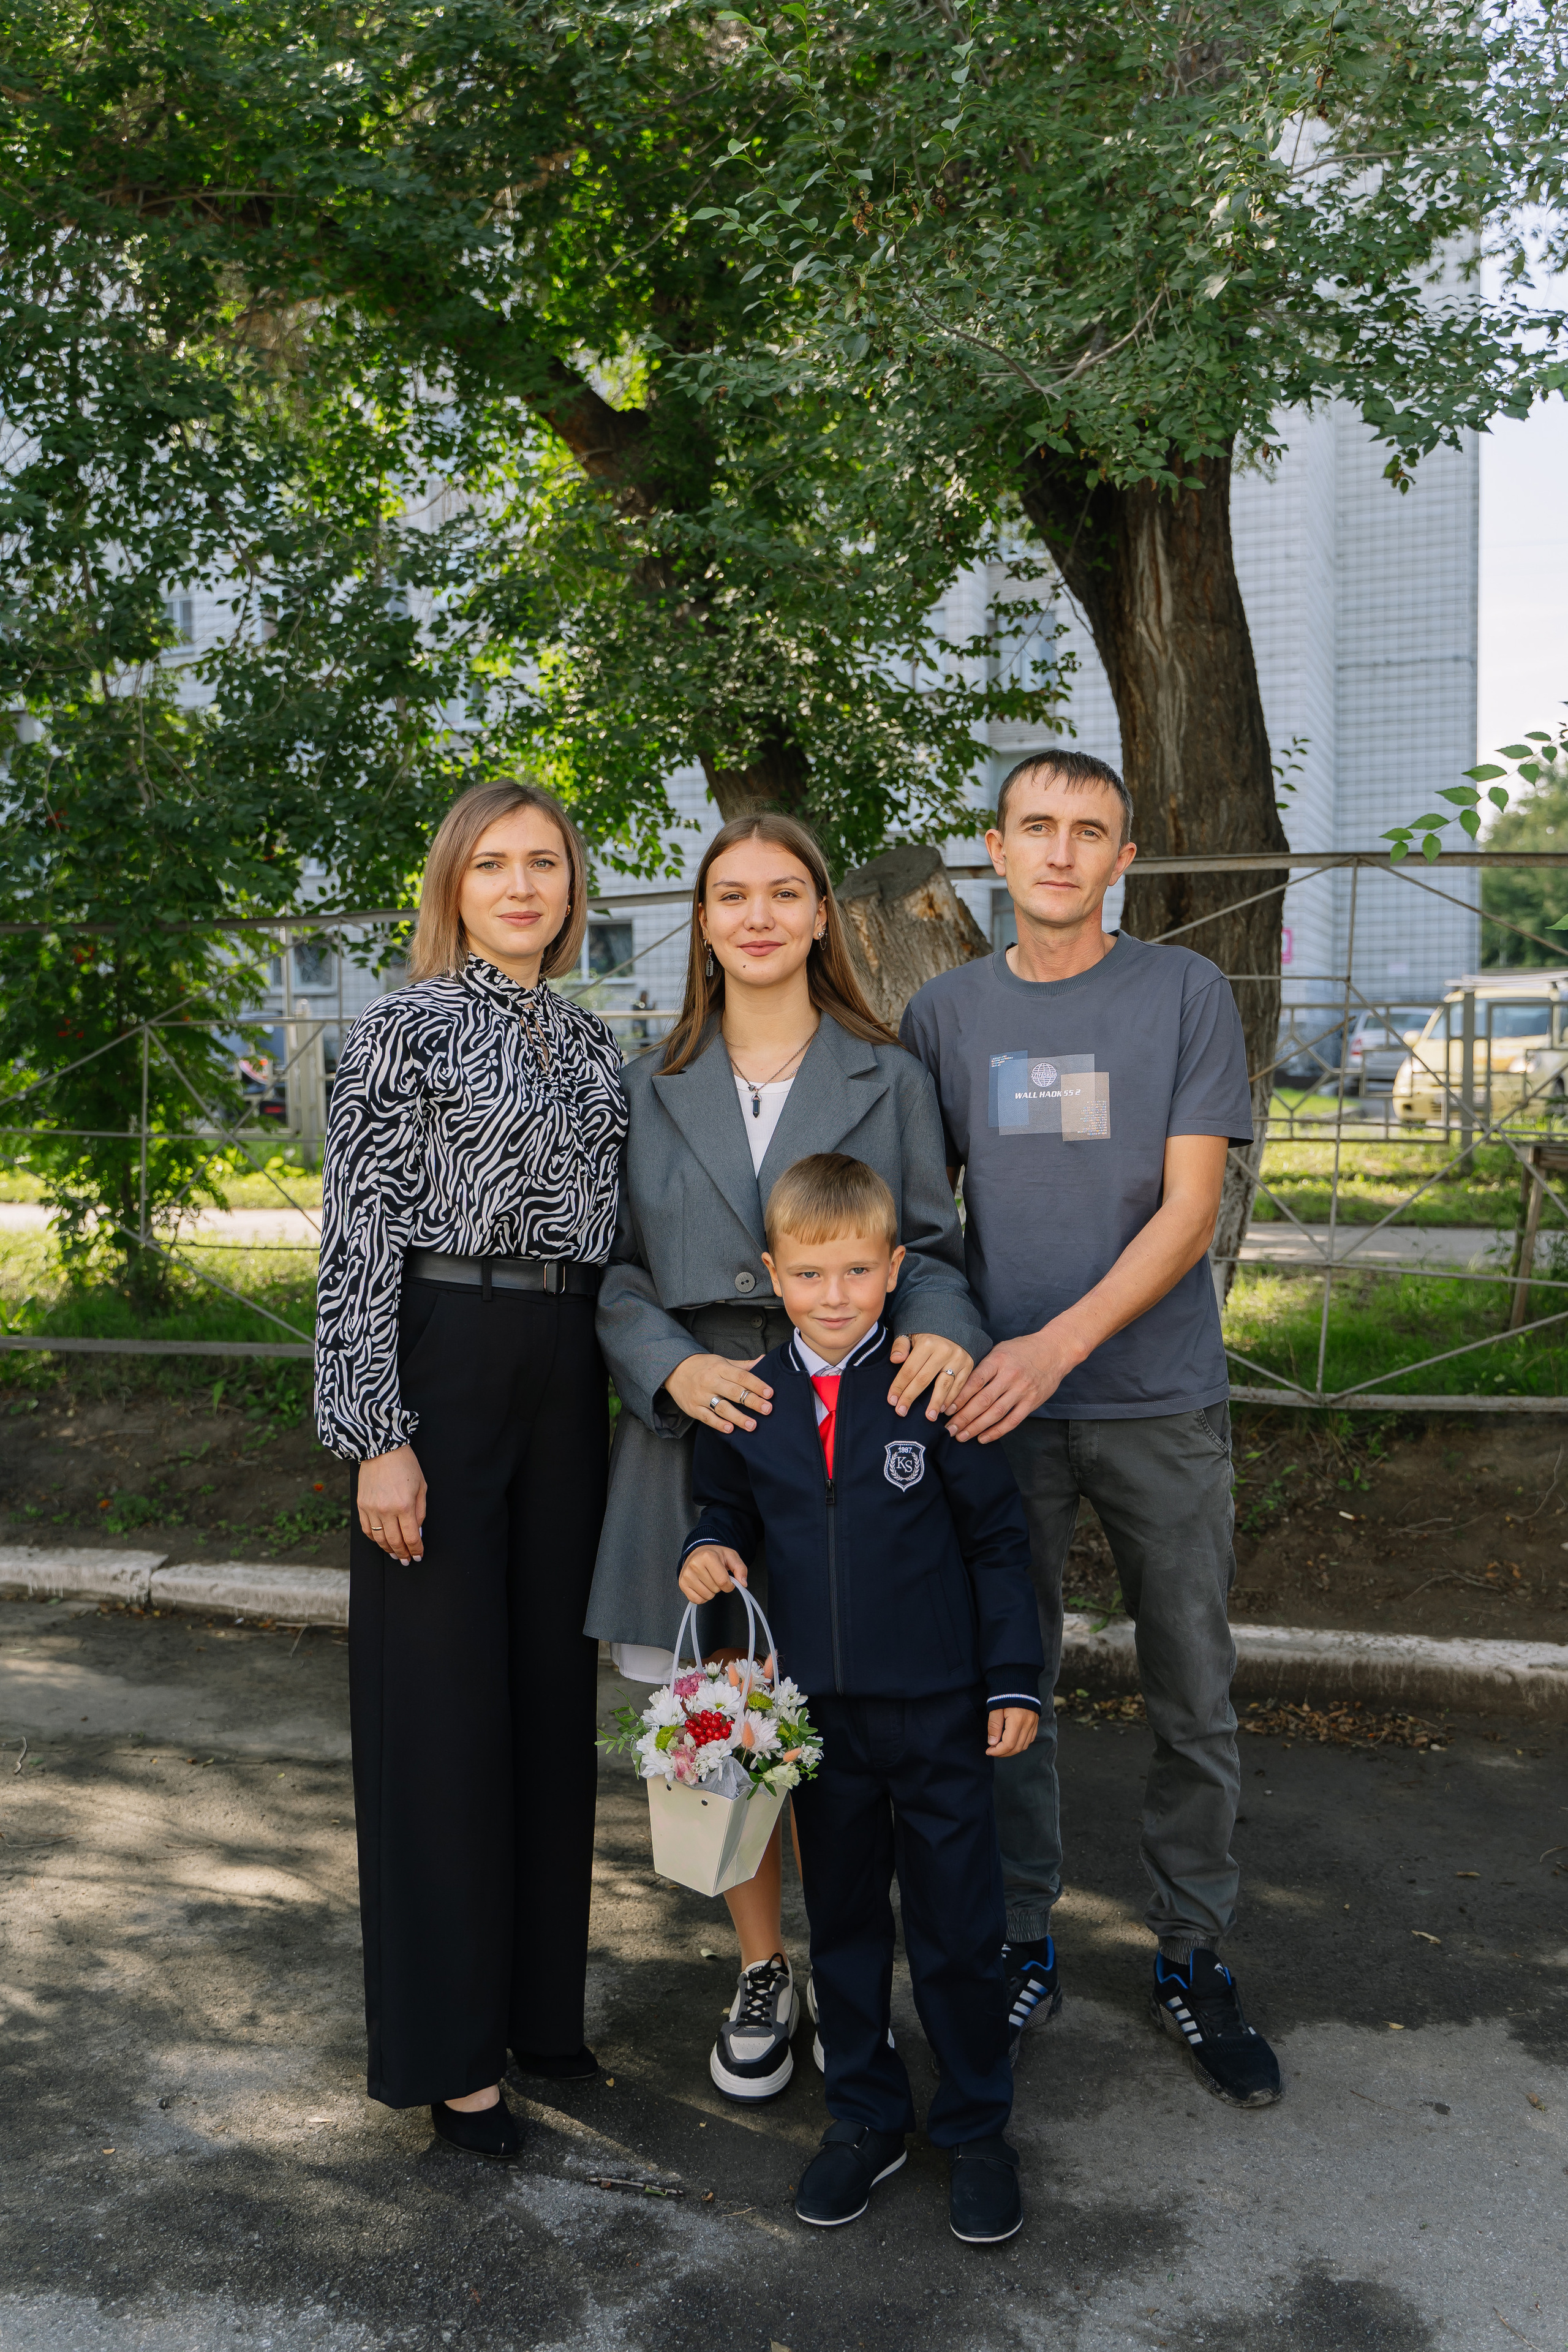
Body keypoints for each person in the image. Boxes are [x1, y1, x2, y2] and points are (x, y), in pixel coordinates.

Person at [586, 812, 988, 2105]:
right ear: (701, 923)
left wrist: (934, 1341)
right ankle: (766, 1969)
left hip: (859, 1424)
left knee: (857, 1707)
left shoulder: (889, 1074)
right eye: (728, 896)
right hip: (706, 1427)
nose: (755, 916)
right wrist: (670, 1366)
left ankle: (870, 1978)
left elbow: (930, 1248)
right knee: (733, 1719)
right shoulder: (647, 1086)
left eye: (782, 893)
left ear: (821, 917)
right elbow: (612, 1274)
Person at [900, 750, 1283, 2109]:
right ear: (994, 850)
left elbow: (1188, 1217)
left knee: (1190, 1684)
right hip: (993, 1413)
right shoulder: (941, 1013)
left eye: (1090, 832)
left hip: (1154, 1402)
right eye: (1035, 828)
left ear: (1122, 859)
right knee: (1009, 1687)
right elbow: (921, 1217)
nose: (1060, 852)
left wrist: (1050, 1346)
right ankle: (1020, 1938)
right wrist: (958, 1341)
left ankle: (1190, 1951)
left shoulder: (1180, 992)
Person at [315, 779, 628, 2161]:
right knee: (441, 1716)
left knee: (548, 1702)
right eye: (492, 864)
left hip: (566, 1362)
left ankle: (538, 2013)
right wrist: (376, 1434)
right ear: (452, 885)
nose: (520, 885)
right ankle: (456, 2065)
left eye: (544, 863)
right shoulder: (396, 1028)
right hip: (437, 1357)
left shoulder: (591, 1043)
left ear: (572, 886)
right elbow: (354, 1239)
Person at [679, 1152, 1043, 2243]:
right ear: (771, 1274)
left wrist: (1013, 1676)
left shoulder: (934, 1389)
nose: (832, 1298)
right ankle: (866, 2121)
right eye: (807, 1275)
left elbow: (996, 1542)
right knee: (841, 1924)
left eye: (854, 1273)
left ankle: (976, 2128)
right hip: (815, 1719)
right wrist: (708, 1550)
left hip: (938, 1709)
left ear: (892, 1270)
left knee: (957, 1927)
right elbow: (719, 1510)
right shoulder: (745, 1402)